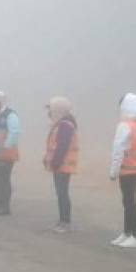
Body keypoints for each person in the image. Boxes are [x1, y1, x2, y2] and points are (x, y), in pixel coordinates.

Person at [109, 93, 136, 248]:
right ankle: (127, 233)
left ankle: (135, 236)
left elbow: (118, 149)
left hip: (127, 169)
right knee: (128, 200)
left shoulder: (125, 126)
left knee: (129, 201)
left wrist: (113, 171)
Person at [43, 97, 79, 233]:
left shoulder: (65, 125)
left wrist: (55, 162)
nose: (49, 113)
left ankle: (65, 222)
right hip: (60, 164)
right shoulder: (63, 124)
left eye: (51, 110)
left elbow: (62, 146)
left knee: (62, 193)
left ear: (58, 110)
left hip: (62, 165)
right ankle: (63, 221)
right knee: (61, 192)